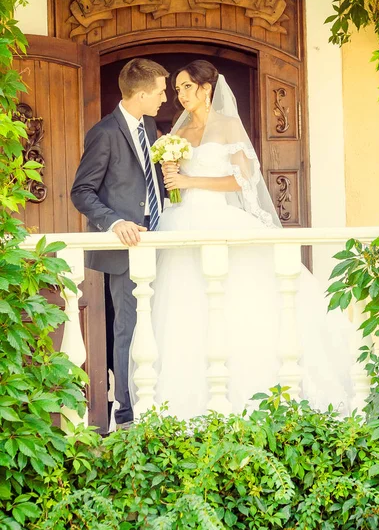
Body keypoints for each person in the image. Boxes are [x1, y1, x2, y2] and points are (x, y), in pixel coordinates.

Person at [130, 59, 353, 419]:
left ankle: (253, 398)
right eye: (177, 89)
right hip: (182, 221)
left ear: (206, 89)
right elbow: (174, 182)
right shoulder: (178, 133)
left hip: (218, 217)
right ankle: (184, 406)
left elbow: (242, 180)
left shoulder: (228, 126)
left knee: (239, 304)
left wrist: (190, 182)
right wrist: (171, 171)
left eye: (187, 87)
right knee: (184, 307)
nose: (181, 94)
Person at [71, 58, 169, 429]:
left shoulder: (151, 126)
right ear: (141, 93)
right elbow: (82, 191)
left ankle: (160, 399)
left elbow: (149, 184)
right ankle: (128, 414)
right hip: (127, 249)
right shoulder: (105, 132)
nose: (164, 97)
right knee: (129, 328)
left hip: (164, 241)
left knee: (162, 321)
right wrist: (113, 222)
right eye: (160, 91)